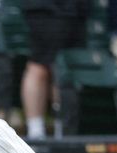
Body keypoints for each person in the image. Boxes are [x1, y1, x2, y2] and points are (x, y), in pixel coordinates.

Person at [20, 0, 89, 139]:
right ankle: (36, 130)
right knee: (40, 65)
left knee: (66, 69)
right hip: (47, 10)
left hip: (75, 11)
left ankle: (63, 127)